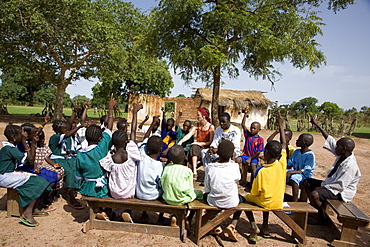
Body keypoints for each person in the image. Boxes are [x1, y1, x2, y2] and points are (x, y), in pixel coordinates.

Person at [304, 116, 361, 224]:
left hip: (341, 192)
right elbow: (330, 141)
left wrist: (322, 187)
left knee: (315, 194)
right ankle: (315, 209)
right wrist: (317, 125)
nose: (335, 148)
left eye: (338, 147)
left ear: (343, 148)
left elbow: (340, 186)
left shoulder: (350, 165)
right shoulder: (343, 155)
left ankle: (321, 217)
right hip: (331, 184)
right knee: (307, 182)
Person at [243, 112, 286, 241]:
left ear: (265, 153)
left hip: (265, 202)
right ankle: (265, 226)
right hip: (278, 202)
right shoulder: (282, 164)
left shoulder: (261, 172)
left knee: (245, 199)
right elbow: (283, 144)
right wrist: (281, 125)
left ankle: (254, 225)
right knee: (266, 199)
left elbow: (255, 192)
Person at [0, 125, 51, 227]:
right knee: (38, 183)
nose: (24, 136)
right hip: (5, 176)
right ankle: (27, 213)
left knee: (41, 180)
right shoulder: (9, 149)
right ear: (14, 137)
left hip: (10, 174)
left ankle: (34, 209)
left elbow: (30, 159)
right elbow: (29, 159)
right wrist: (24, 142)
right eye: (21, 135)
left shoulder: (11, 147)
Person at [76, 95, 116, 200]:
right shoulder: (100, 149)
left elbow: (79, 176)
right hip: (101, 189)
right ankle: (103, 211)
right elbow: (109, 129)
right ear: (100, 138)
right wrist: (110, 109)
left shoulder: (80, 154)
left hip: (86, 188)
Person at [203, 140, 243, 241]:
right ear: (232, 154)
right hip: (231, 202)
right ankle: (232, 225)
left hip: (213, 201)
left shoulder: (210, 167)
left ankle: (212, 222)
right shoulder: (234, 167)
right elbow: (238, 179)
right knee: (242, 200)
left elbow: (207, 187)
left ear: (218, 153)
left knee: (207, 194)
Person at [49, 119, 85, 209]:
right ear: (58, 131)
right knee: (70, 171)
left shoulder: (67, 138)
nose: (67, 131)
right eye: (65, 129)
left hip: (67, 158)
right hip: (57, 159)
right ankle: (71, 198)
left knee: (78, 165)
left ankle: (77, 187)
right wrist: (79, 127)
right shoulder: (55, 137)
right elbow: (67, 135)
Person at [136, 115, 165, 223]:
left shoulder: (141, 158)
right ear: (161, 150)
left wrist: (153, 123)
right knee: (165, 189)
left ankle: (144, 214)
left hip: (139, 193)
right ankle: (161, 218)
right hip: (153, 196)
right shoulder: (160, 166)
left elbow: (145, 139)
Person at [178, 108, 214, 179]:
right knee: (193, 147)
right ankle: (194, 170)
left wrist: (199, 143)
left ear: (203, 116)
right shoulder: (197, 125)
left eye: (198, 115)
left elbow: (210, 142)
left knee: (194, 147)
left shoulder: (210, 127)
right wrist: (181, 141)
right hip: (197, 147)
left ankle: (194, 170)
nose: (197, 117)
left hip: (206, 147)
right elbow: (189, 135)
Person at [236, 105, 264, 188]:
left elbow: (259, 152)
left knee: (253, 166)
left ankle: (253, 183)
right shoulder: (248, 135)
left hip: (253, 157)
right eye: (251, 128)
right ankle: (240, 179)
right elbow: (243, 124)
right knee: (236, 160)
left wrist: (250, 159)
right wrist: (245, 113)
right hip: (245, 155)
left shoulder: (260, 139)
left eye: (254, 128)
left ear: (259, 130)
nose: (252, 130)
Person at [286, 133, 316, 202]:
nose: (297, 140)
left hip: (304, 175)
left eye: (299, 139)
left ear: (305, 143)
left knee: (294, 178)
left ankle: (295, 201)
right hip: (295, 172)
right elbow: (290, 163)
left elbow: (306, 170)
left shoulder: (310, 155)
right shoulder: (296, 152)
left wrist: (291, 172)